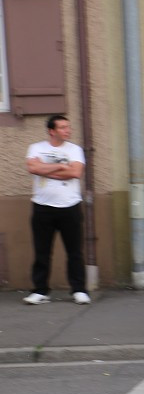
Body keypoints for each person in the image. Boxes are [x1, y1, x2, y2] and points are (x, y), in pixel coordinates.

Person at [24, 115, 90, 305]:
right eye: (62, 127)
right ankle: (40, 291)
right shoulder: (36, 148)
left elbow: (75, 172)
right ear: (52, 131)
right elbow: (32, 168)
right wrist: (61, 166)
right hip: (42, 207)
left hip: (70, 206)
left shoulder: (75, 150)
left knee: (74, 251)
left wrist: (46, 168)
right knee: (42, 251)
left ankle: (78, 290)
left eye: (68, 127)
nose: (67, 130)